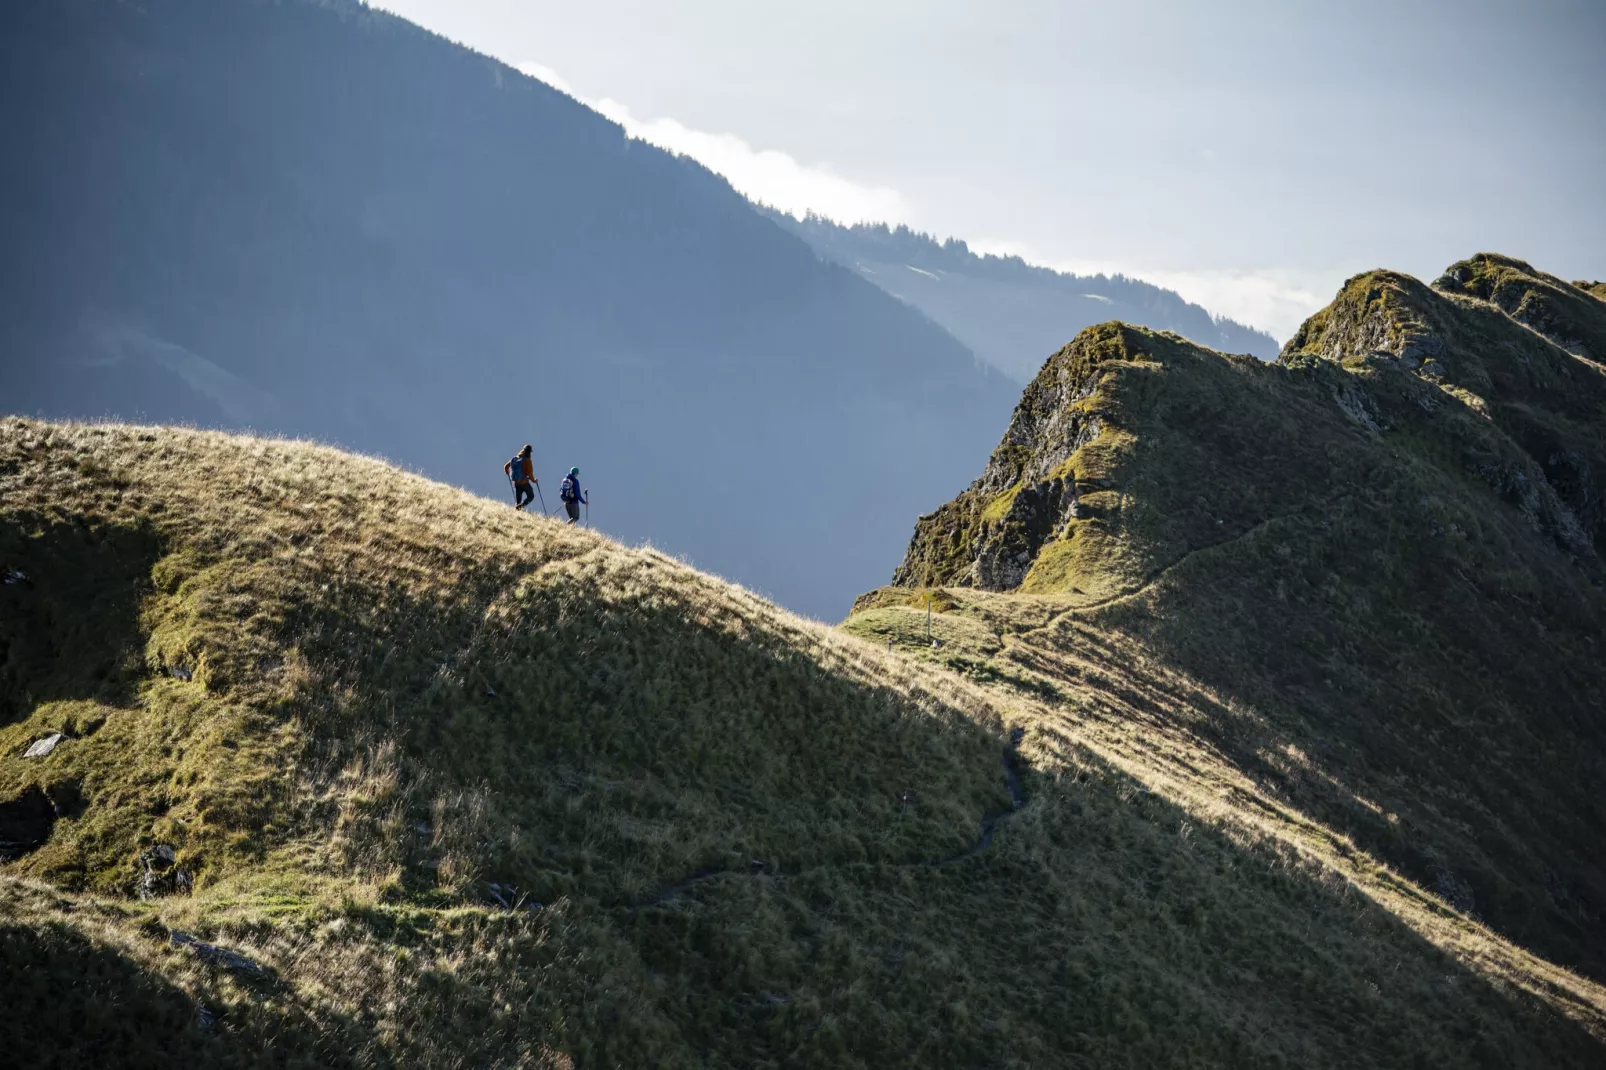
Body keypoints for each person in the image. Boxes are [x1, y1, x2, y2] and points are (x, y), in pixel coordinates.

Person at [504, 445, 538, 510]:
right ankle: (519, 507)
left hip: (516, 482)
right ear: (529, 452)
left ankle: (517, 510)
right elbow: (530, 474)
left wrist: (507, 472)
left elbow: (506, 466)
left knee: (518, 500)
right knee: (531, 496)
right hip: (524, 483)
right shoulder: (528, 461)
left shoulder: (515, 458)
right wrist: (534, 481)